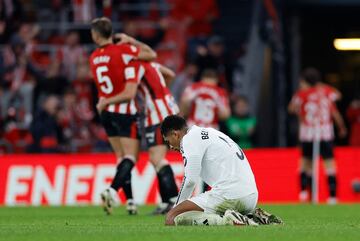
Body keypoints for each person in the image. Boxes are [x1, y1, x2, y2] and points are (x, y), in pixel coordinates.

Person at [161, 115, 282, 226]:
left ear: (175, 134)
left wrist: (174, 210)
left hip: (231, 195)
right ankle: (252, 217)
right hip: (251, 196)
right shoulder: (209, 132)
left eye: (168, 141)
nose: (170, 147)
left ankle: (228, 220)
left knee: (180, 218)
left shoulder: (188, 139)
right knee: (185, 210)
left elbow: (190, 180)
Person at [89, 17, 156, 215]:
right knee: (130, 157)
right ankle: (111, 190)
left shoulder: (93, 57)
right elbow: (151, 54)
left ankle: (131, 202)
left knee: (120, 158)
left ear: (95, 35)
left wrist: (105, 101)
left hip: (105, 111)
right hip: (124, 111)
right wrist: (131, 41)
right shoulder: (124, 51)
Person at [97, 59, 180, 215]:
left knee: (157, 159)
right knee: (157, 158)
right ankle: (166, 202)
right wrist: (160, 92)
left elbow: (129, 92)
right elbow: (170, 74)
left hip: (157, 113)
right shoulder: (153, 64)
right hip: (168, 105)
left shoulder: (135, 66)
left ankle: (172, 200)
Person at [288, 68, 347, 204]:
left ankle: (304, 194)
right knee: (330, 165)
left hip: (308, 133)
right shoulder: (325, 92)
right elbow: (337, 98)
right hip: (325, 133)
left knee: (305, 164)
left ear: (306, 81)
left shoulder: (301, 94)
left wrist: (299, 113)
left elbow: (291, 108)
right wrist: (341, 127)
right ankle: (332, 197)